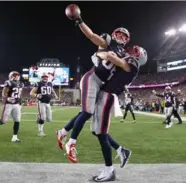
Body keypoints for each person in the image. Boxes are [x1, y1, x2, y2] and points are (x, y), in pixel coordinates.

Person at [56, 11, 131, 163]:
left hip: (104, 87)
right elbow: (91, 36)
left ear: (127, 40)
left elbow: (125, 71)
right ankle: (71, 143)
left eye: (124, 36)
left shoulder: (126, 56)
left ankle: (62, 132)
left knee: (96, 124)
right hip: (93, 78)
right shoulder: (108, 42)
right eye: (119, 34)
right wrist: (79, 21)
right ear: (114, 34)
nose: (121, 37)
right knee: (87, 112)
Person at [90, 45, 147, 182]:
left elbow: (111, 58)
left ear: (138, 57)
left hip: (108, 96)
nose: (131, 51)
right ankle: (121, 150)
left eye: (135, 52)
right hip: (104, 94)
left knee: (101, 133)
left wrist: (99, 54)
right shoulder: (128, 63)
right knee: (96, 131)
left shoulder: (133, 66)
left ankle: (109, 170)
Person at [0, 71, 23, 142]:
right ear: (11, 76)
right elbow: (4, 92)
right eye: (15, 75)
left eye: (17, 75)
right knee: (4, 121)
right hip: (8, 104)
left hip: (16, 104)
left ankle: (14, 137)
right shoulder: (9, 82)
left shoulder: (21, 84)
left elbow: (19, 95)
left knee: (17, 120)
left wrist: (20, 103)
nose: (16, 76)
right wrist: (7, 98)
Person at [30, 72, 58, 136]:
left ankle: (38, 116)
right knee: (43, 118)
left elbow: (52, 89)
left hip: (48, 103)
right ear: (41, 78)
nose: (45, 78)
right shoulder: (38, 84)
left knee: (49, 119)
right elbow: (31, 93)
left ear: (47, 78)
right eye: (43, 77)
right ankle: (40, 132)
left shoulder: (50, 83)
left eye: (46, 77)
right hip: (41, 102)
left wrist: (55, 94)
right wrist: (36, 95)